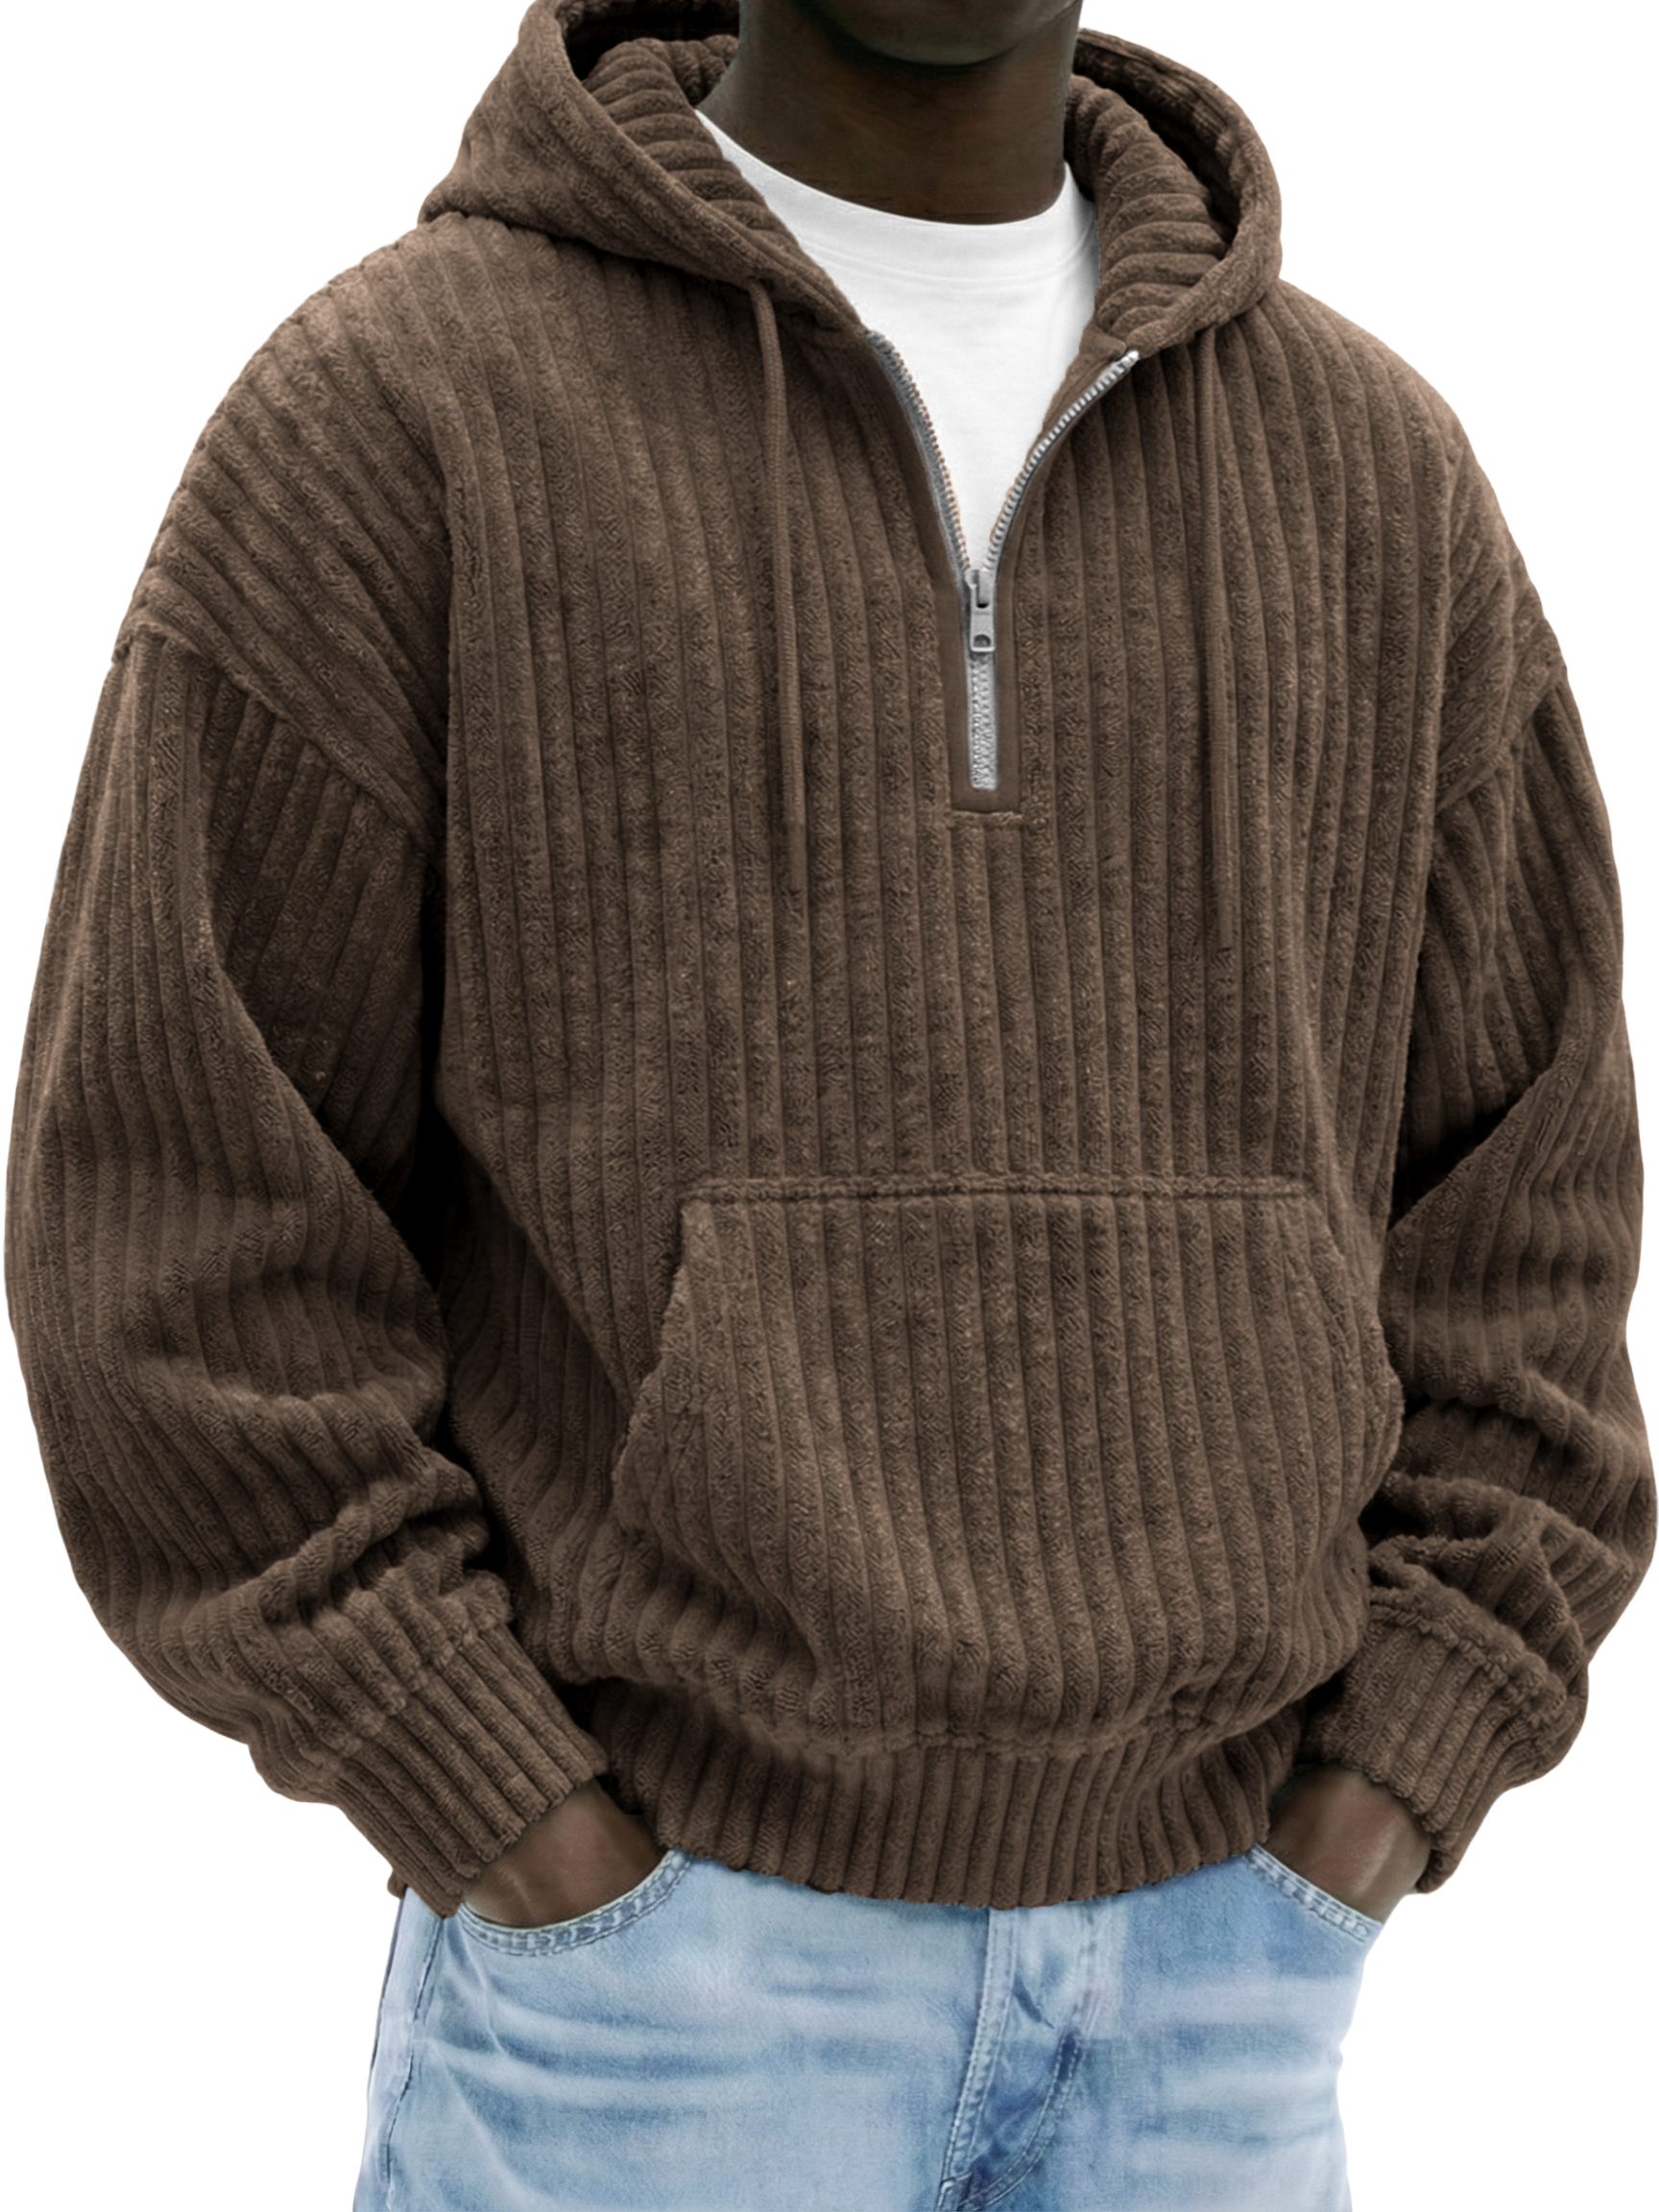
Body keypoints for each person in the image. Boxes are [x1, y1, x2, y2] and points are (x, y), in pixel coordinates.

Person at [5, 0, 1652, 2205]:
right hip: (653, 2020)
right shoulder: (400, 419)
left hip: (1224, 2012)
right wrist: (496, 1802)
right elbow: (176, 1215)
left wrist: (1389, 1784)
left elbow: (1530, 1217)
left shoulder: (1375, 480)